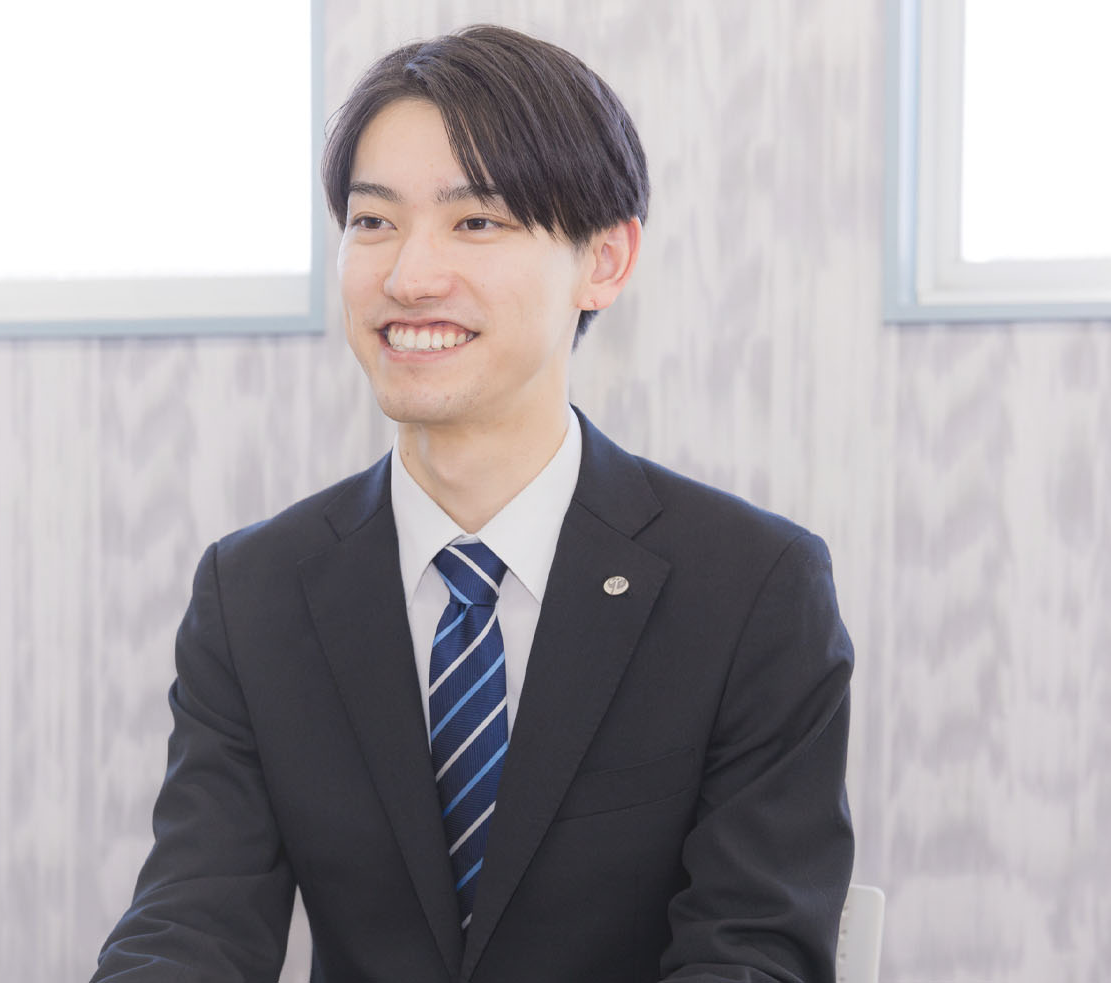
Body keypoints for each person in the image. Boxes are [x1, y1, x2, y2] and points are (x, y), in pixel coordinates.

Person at [93, 24, 853, 983]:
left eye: (476, 222)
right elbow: (191, 922)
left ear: (605, 259)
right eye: (373, 221)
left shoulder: (751, 590)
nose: (408, 276)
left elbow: (753, 952)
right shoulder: (255, 594)